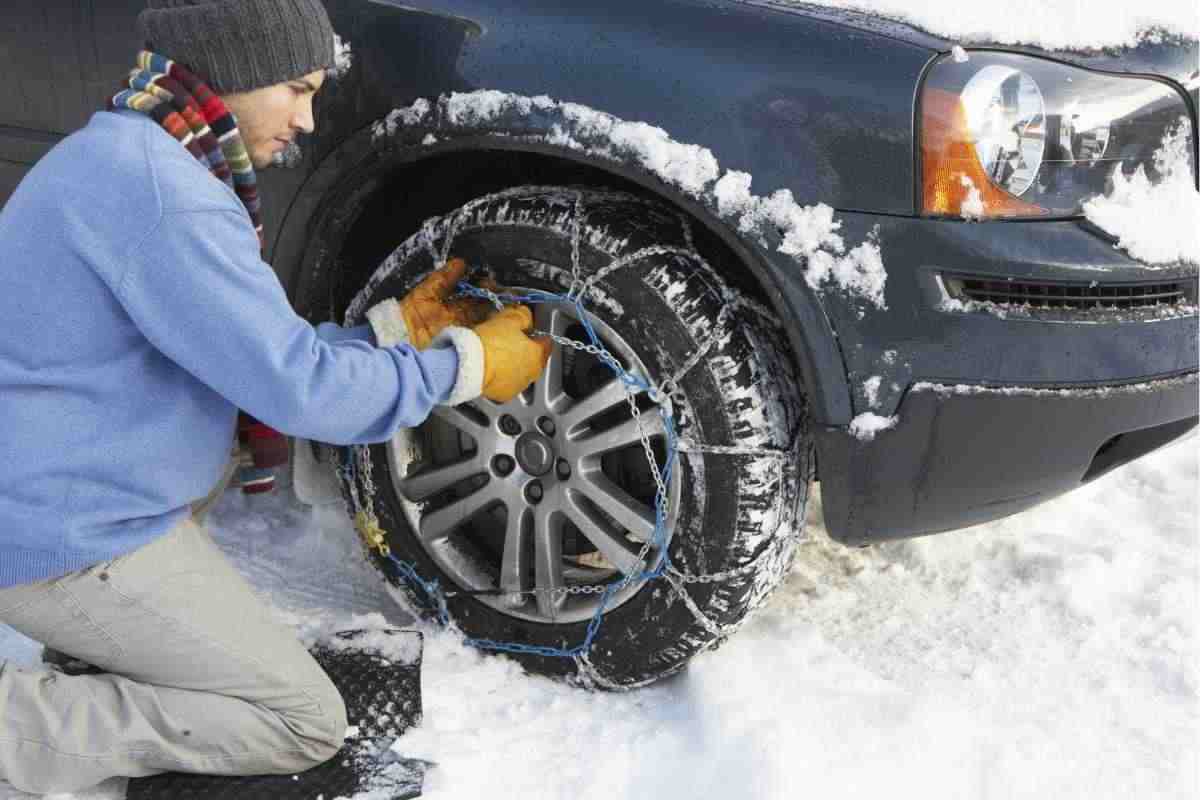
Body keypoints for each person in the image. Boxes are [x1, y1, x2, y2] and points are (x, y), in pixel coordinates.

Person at [0, 0, 550, 794]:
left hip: (69, 489)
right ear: (234, 74)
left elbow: (252, 356)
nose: (308, 119)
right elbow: (300, 391)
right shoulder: (168, 197)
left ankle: (107, 650)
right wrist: (463, 366)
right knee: (301, 723)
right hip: (62, 539)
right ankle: (23, 731)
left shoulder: (130, 154)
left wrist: (395, 331)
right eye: (297, 87)